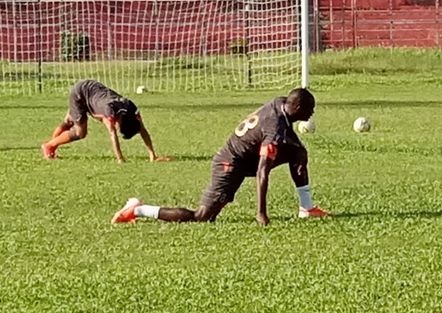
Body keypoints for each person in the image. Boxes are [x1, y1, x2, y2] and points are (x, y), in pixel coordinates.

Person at [111, 87, 329, 226]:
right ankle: (138, 209)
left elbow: (282, 134)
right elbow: (263, 171)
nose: (312, 114)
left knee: (298, 152)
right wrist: (261, 213)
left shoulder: (281, 104)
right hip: (230, 164)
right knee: (202, 217)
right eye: (310, 109)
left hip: (245, 157)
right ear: (298, 107)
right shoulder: (274, 127)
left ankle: (306, 208)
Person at [42, 79, 167, 163]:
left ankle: (50, 149)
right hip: (80, 94)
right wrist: (120, 159)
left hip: (92, 91)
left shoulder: (132, 108)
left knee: (69, 121)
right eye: (119, 127)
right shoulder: (109, 111)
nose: (116, 127)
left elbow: (143, 130)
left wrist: (153, 155)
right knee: (80, 132)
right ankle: (49, 146)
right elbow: (112, 134)